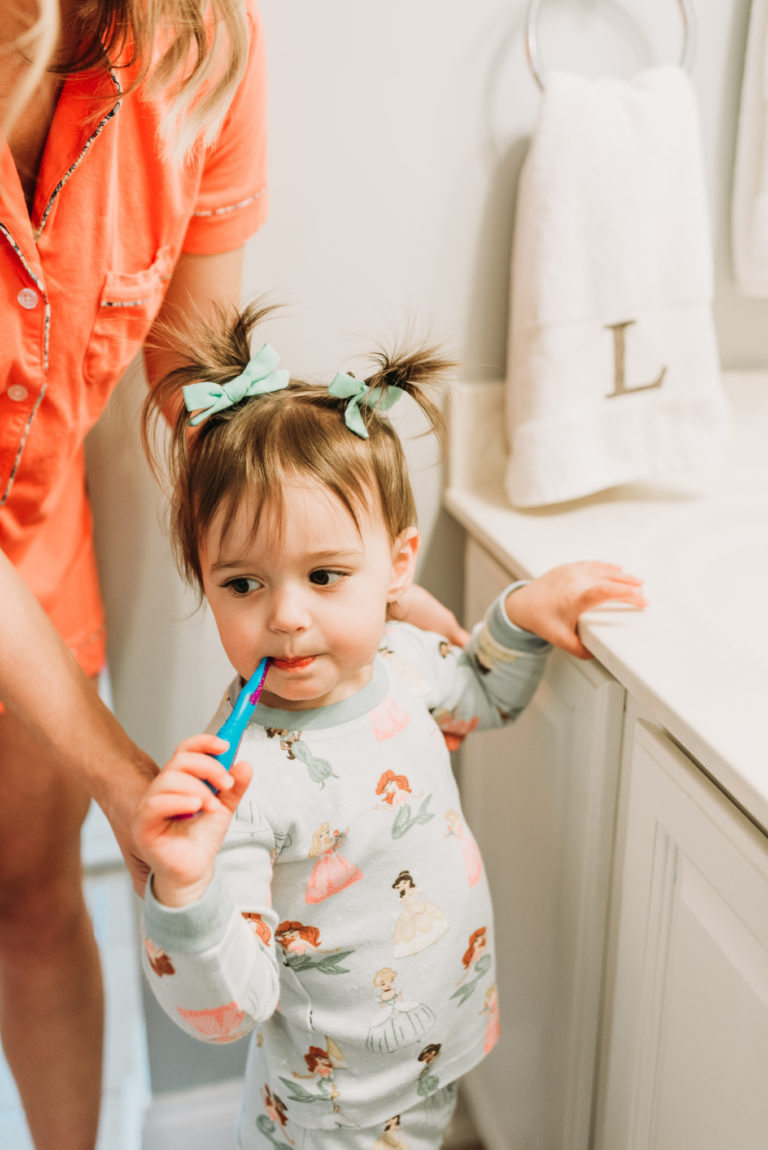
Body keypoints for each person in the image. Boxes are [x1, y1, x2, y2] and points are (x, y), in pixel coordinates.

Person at [133, 301, 646, 1150]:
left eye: (325, 575)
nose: (287, 617)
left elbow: (483, 694)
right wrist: (185, 892)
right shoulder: (241, 782)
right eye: (242, 585)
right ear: (204, 580)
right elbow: (230, 1013)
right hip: (335, 1113)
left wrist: (520, 613)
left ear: (397, 565)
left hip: (425, 1063)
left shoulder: (405, 662)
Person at [0, 2, 267, 1147]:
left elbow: (193, 363)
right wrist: (119, 771)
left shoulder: (200, 37)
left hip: (40, 552)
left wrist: (313, 559)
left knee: (33, 897)